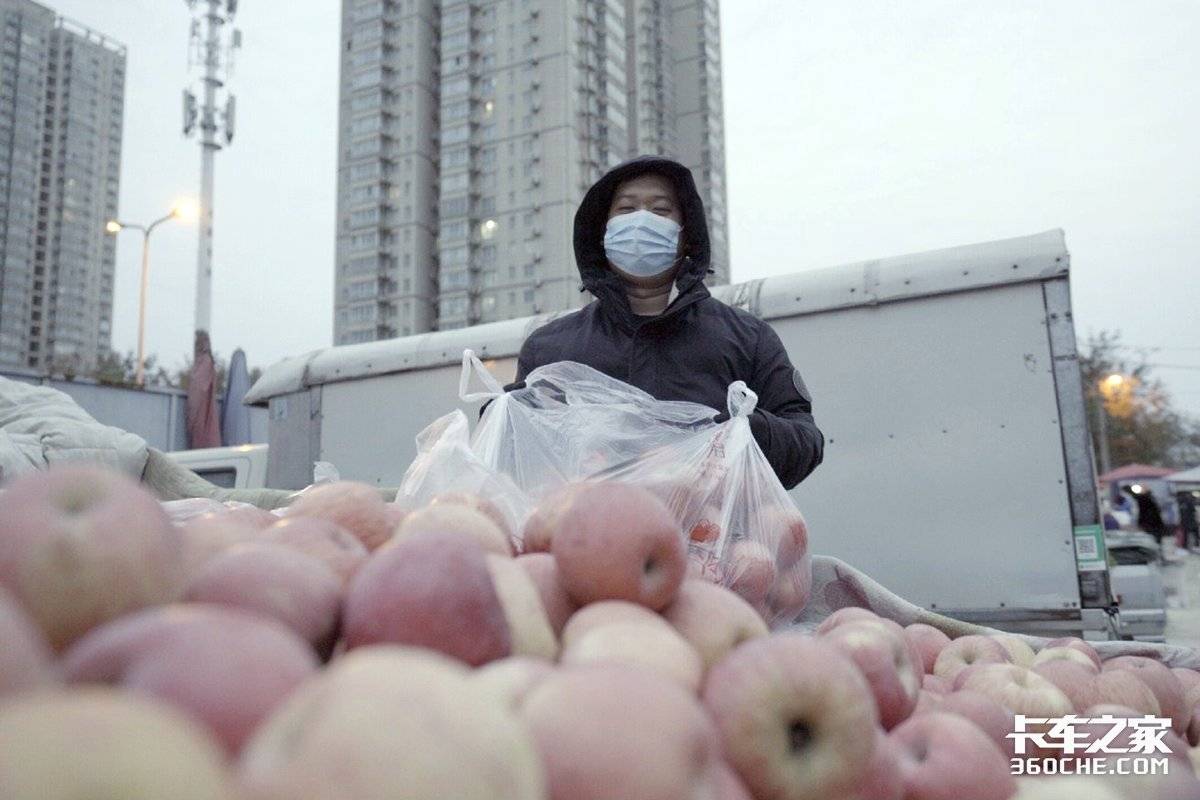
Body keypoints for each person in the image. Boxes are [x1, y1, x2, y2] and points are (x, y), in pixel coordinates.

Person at [507, 155, 824, 490]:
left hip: (714, 536)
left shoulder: (747, 337)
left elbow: (805, 442)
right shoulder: (550, 347)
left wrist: (746, 431)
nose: (641, 221)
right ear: (601, 232)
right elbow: (514, 463)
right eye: (626, 209)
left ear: (685, 235)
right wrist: (508, 418)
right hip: (582, 535)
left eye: (660, 210)